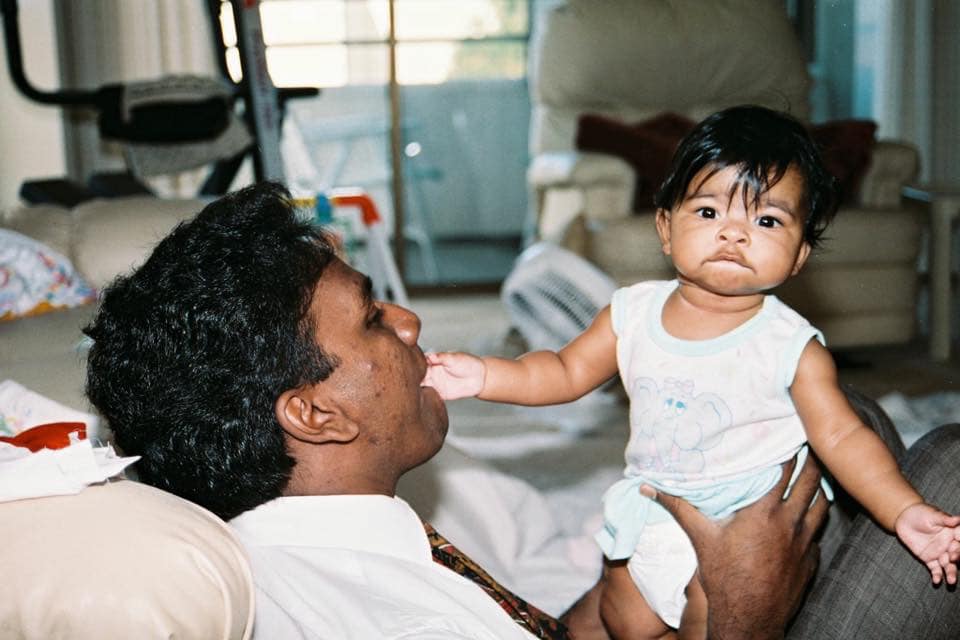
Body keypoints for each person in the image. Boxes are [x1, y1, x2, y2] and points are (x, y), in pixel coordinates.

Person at [82, 181, 959, 640]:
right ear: (312, 415)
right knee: (949, 459)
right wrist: (743, 612)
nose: (413, 321)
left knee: (842, 422)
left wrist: (621, 592)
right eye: (375, 317)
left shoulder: (355, 531)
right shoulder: (368, 616)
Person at [423, 105, 960, 639]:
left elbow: (842, 434)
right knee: (625, 619)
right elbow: (562, 371)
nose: (734, 233)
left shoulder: (791, 347)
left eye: (767, 220)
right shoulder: (631, 314)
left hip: (740, 524)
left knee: (709, 620)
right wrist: (485, 376)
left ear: (799, 256)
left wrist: (904, 510)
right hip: (652, 503)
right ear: (665, 227)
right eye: (708, 213)